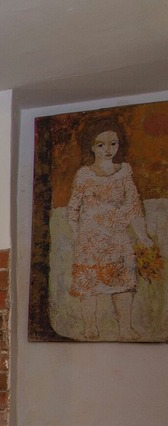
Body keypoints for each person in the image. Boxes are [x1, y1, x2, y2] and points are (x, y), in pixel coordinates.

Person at [66, 120, 151, 340]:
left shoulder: (124, 172)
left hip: (117, 237)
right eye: (101, 144)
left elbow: (133, 204)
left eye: (112, 144)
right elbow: (73, 208)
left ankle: (125, 329)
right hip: (91, 238)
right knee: (90, 285)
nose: (108, 149)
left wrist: (142, 235)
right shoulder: (84, 174)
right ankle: (91, 328)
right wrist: (78, 235)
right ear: (92, 147)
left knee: (123, 284)